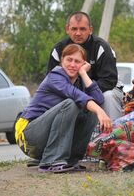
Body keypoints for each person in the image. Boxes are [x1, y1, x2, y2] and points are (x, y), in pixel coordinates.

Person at [15, 44, 113, 173]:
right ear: (62, 61)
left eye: (77, 61)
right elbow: (76, 96)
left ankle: (70, 160)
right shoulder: (55, 76)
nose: (72, 64)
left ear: (84, 64)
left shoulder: (79, 82)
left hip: (45, 137)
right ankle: (50, 161)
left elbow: (98, 99)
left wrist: (83, 74)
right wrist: (100, 111)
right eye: (69, 60)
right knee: (71, 104)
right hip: (28, 136)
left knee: (91, 111)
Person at [47, 11, 124, 120]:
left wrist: (83, 94)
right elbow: (51, 81)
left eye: (82, 29)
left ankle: (115, 133)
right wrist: (76, 95)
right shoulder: (58, 50)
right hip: (70, 92)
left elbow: (109, 81)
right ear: (67, 29)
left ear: (90, 30)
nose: (78, 33)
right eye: (74, 29)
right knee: (56, 100)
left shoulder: (101, 47)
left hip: (106, 89)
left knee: (108, 96)